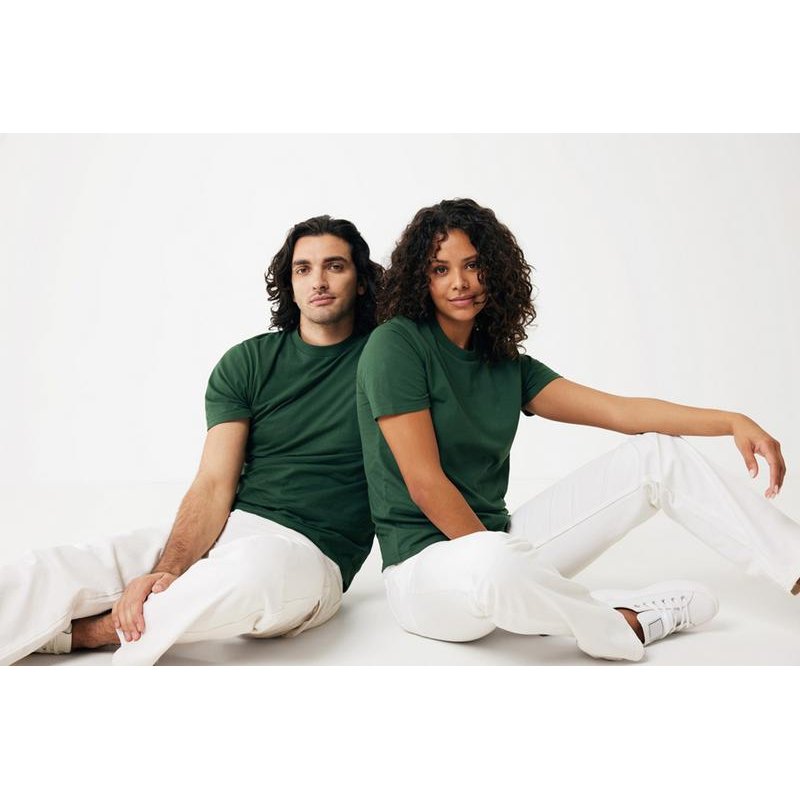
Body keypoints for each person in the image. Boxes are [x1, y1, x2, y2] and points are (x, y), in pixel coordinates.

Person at [356, 198, 800, 662]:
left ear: (495, 270)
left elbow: (620, 412)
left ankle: (794, 566)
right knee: (498, 563)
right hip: (425, 575)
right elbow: (425, 483)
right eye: (440, 269)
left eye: (472, 265)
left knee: (656, 455)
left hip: (502, 547)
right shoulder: (396, 345)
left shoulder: (506, 364)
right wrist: (499, 556)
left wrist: (731, 421)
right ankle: (623, 624)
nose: (460, 283)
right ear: (420, 278)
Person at [1, 215, 381, 666]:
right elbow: (214, 483)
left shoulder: (386, 358)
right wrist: (168, 571)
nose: (318, 280)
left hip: (310, 555)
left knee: (248, 576)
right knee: (52, 570)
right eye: (303, 269)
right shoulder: (248, 362)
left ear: (361, 280)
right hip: (230, 527)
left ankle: (86, 635)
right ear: (291, 284)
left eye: (335, 266)